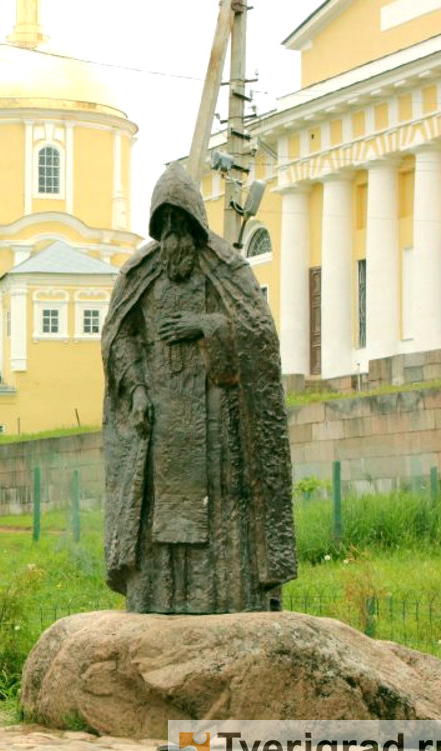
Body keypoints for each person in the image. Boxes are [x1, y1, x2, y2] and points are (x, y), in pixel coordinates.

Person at [101, 163, 296, 614]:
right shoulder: (138, 274)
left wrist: (204, 325)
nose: (173, 239)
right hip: (160, 423)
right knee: (158, 515)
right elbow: (118, 338)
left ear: (195, 223)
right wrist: (136, 390)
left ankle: (229, 597)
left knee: (223, 510)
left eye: (180, 224)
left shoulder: (227, 268)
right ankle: (156, 598)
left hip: (216, 425)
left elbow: (258, 335)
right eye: (164, 227)